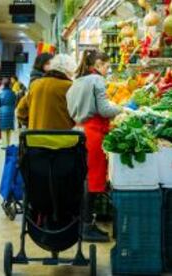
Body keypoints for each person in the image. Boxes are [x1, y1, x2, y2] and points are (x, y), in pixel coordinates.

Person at [66, 49, 122, 242]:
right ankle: (87, 226)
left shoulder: (77, 82)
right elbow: (105, 109)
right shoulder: (97, 80)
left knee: (84, 179)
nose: (107, 69)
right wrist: (124, 108)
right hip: (93, 134)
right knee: (93, 181)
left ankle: (82, 223)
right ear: (97, 64)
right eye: (106, 65)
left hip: (79, 131)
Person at [16, 54, 77, 130]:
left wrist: (34, 123)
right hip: (62, 138)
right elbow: (78, 115)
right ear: (68, 71)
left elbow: (20, 112)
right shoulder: (70, 87)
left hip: (36, 138)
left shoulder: (35, 85)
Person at [0, 77, 16, 148]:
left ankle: (4, 145)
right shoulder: (13, 93)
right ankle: (8, 144)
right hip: (11, 112)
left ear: (3, 85)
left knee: (3, 130)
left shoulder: (0, 93)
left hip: (3, 112)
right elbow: (15, 102)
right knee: (9, 129)